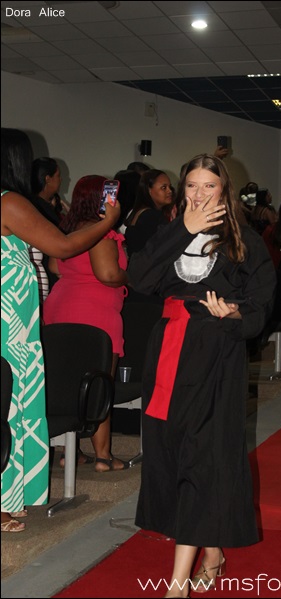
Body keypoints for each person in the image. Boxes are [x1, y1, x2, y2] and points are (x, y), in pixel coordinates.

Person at [128, 154, 276, 598]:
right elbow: (139, 278)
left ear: (224, 190)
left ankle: (177, 586)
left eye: (209, 186)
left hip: (216, 354)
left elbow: (261, 305)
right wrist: (184, 229)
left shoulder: (245, 241)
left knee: (201, 455)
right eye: (191, 185)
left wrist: (235, 312)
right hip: (168, 352)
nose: (199, 194)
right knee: (173, 452)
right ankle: (212, 551)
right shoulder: (168, 232)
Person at [1, 128, 120, 532]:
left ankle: (10, 495)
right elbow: (63, 247)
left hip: (13, 319)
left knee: (10, 402)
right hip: (9, 323)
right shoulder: (8, 202)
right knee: (10, 404)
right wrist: (108, 222)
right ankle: (3, 500)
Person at [43, 175, 130, 472]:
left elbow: (54, 266)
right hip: (95, 311)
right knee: (99, 385)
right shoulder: (101, 232)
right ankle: (103, 456)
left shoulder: (67, 230)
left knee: (66, 383)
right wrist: (132, 276)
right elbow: (108, 274)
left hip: (60, 306)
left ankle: (70, 451)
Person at [29, 157, 64, 304]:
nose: (61, 180)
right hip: (46, 272)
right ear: (47, 179)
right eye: (58, 176)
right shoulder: (40, 209)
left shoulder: (35, 205)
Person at [124, 169, 174, 258]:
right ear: (149, 190)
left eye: (170, 187)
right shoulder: (151, 216)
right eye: (164, 187)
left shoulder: (140, 212)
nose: (170, 191)